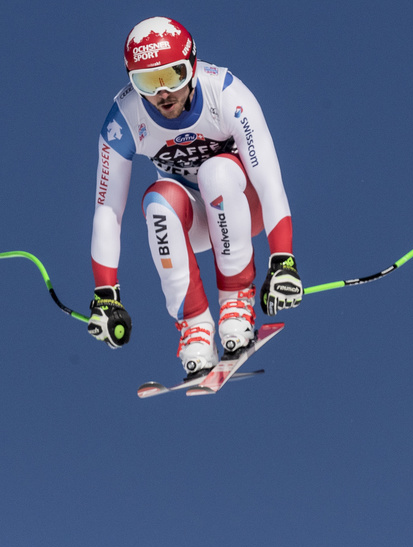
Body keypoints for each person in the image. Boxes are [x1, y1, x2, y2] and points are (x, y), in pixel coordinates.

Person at [86, 16, 302, 376]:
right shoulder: (123, 119)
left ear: (192, 66)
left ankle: (236, 301)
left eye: (171, 76)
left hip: (243, 203)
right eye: (146, 82)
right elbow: (108, 211)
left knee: (214, 171)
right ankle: (196, 327)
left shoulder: (227, 94)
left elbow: (269, 181)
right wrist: (106, 294)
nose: (161, 94)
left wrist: (283, 259)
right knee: (158, 199)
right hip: (199, 218)